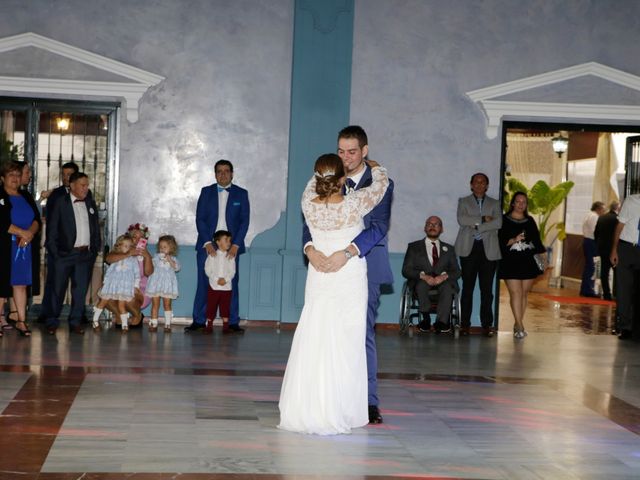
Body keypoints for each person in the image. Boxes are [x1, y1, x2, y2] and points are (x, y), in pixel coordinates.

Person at [279, 153, 389, 435]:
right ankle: (342, 409)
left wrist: (311, 250)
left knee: (314, 336)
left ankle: (307, 407)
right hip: (348, 276)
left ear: (317, 178)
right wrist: (376, 168)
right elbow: (381, 186)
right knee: (348, 341)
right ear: (342, 179)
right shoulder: (354, 204)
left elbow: (310, 184)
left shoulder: (307, 203)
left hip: (319, 275)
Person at [303, 126, 393, 425]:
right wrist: (309, 248)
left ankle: (367, 402)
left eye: (352, 152)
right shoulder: (324, 177)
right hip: (323, 266)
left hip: (361, 265)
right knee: (323, 330)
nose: (345, 157)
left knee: (360, 334)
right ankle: (326, 397)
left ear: (364, 151)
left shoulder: (381, 183)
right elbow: (308, 221)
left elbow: (378, 227)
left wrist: (349, 251)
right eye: (340, 151)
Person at [188, 159, 250, 334]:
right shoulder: (206, 192)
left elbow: (245, 221)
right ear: (215, 174)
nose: (223, 174)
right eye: (219, 171)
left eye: (226, 171)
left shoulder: (241, 194)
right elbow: (200, 218)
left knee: (231, 283)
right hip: (207, 244)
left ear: (232, 173)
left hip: (231, 246)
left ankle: (231, 322)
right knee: (203, 283)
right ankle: (199, 321)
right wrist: (208, 242)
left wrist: (236, 244)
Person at [44, 171, 100, 335]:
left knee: (80, 290)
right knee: (57, 289)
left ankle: (75, 321)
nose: (85, 188)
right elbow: (52, 230)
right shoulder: (60, 202)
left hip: (84, 255)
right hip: (64, 255)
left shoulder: (90, 203)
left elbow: (95, 228)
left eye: (87, 185)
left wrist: (94, 250)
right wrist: (55, 253)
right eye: (82, 185)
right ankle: (52, 321)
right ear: (72, 185)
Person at [454, 172, 502, 337]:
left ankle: (487, 325)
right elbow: (462, 220)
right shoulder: (463, 201)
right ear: (471, 184)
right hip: (469, 249)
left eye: (483, 182)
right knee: (467, 288)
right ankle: (464, 325)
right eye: (476, 182)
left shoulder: (495, 203)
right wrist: (483, 219)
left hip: (489, 251)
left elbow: (498, 222)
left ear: (487, 185)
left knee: (487, 290)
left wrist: (477, 225)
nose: (480, 184)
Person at [0, 161, 41, 337]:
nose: (16, 178)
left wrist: (30, 234)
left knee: (21, 284)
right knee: (0, 285)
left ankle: (21, 321)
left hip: (24, 247)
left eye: (18, 175)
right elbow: (1, 222)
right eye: (11, 175)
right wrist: (22, 233)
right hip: (4, 246)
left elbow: (37, 219)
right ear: (2, 179)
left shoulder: (26, 196)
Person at [498, 192, 546, 338]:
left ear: (526, 205)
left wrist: (543, 257)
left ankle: (518, 322)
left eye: (523, 202)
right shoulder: (503, 220)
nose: (520, 204)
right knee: (516, 292)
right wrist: (513, 240)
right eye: (518, 201)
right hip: (510, 261)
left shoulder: (530, 220)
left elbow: (537, 241)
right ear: (512, 203)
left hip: (528, 262)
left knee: (524, 293)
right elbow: (498, 241)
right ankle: (519, 325)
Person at [401, 216, 460, 333]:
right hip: (421, 282)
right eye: (429, 224)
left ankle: (442, 322)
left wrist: (443, 277)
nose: (432, 226)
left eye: (436, 224)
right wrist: (424, 276)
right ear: (425, 228)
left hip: (443, 283)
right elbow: (406, 270)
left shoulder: (449, 249)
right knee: (421, 285)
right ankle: (425, 319)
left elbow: (457, 271)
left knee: (448, 287)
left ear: (441, 229)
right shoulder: (413, 247)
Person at [38, 161, 79, 324]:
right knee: (53, 282)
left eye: (69, 174)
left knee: (78, 284)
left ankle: (78, 314)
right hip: (58, 248)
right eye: (64, 174)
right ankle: (47, 313)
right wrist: (52, 246)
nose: (66, 177)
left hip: (77, 248)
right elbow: (50, 219)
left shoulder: (84, 193)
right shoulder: (56, 194)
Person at [104, 223, 154, 328]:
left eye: (141, 238)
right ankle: (119, 315)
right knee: (104, 296)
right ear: (129, 238)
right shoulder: (122, 250)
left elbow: (148, 273)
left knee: (128, 298)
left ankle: (137, 315)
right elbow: (108, 259)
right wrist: (127, 254)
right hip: (120, 287)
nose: (137, 240)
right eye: (134, 237)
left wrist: (147, 257)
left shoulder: (145, 255)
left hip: (140, 290)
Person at [91, 234, 140, 333]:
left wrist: (135, 286)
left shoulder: (133, 260)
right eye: (125, 246)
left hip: (124, 286)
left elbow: (137, 273)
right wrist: (105, 282)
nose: (128, 248)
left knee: (121, 305)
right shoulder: (116, 257)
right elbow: (109, 271)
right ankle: (95, 320)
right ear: (119, 246)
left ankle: (125, 325)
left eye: (130, 246)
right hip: (112, 284)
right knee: (103, 301)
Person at [610, 194, 640, 340]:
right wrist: (614, 250)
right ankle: (625, 327)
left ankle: (637, 328)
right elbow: (619, 226)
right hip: (627, 248)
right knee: (624, 290)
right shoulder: (631, 201)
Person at [146, 234, 180, 332]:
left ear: (171, 248)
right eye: (160, 247)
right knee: (155, 304)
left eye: (165, 247)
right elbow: (150, 266)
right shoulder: (156, 257)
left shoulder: (173, 259)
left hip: (167, 285)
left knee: (167, 304)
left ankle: (168, 324)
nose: (162, 249)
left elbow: (177, 268)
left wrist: (169, 260)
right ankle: (153, 322)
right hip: (155, 284)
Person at [204, 230, 235, 334]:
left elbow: (232, 271)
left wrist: (225, 279)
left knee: (225, 306)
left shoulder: (230, 256)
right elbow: (208, 270)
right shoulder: (212, 256)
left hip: (226, 287)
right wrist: (217, 279)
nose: (229, 242)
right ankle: (209, 324)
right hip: (214, 286)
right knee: (211, 305)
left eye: (229, 240)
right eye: (226, 240)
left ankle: (226, 326)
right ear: (218, 242)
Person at [594, 201, 620, 301]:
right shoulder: (617, 219)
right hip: (614, 249)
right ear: (617, 208)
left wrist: (598, 245)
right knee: (617, 272)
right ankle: (617, 294)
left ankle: (607, 295)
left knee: (604, 272)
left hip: (602, 248)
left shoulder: (602, 217)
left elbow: (596, 233)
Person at [580, 201, 606, 297]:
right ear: (598, 209)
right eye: (603, 210)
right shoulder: (594, 216)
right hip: (591, 242)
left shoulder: (588, 215)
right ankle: (588, 290)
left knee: (589, 265)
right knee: (592, 266)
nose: (604, 212)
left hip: (588, 241)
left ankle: (585, 288)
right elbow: (596, 231)